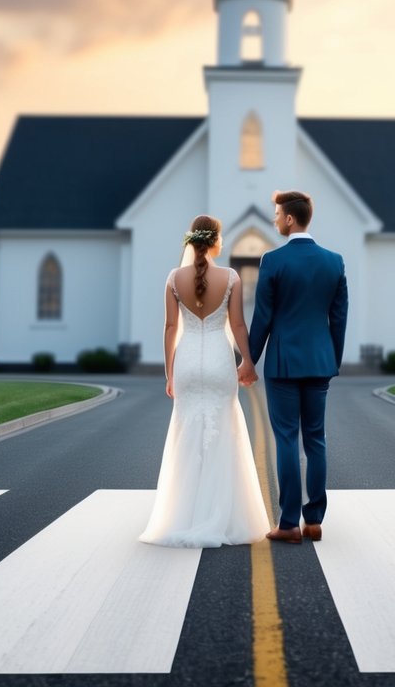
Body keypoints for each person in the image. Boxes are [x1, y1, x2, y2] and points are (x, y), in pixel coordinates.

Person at [139, 215, 270, 547]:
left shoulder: (173, 278)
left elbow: (170, 328)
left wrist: (170, 373)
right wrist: (248, 361)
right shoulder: (231, 278)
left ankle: (182, 515)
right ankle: (221, 516)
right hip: (217, 361)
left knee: (187, 434)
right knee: (223, 432)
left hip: (186, 364)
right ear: (215, 242)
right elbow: (239, 326)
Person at [247, 190, 348, 544]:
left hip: (283, 363)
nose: (274, 219)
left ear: (290, 219)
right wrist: (332, 359)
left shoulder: (273, 261)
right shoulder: (334, 261)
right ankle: (315, 520)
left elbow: (262, 319)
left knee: (287, 439)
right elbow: (339, 318)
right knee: (316, 439)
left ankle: (289, 523)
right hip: (320, 361)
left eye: (276, 214)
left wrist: (247, 361)